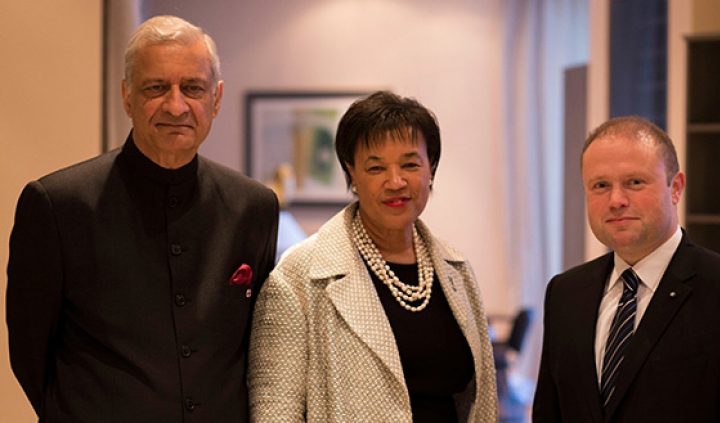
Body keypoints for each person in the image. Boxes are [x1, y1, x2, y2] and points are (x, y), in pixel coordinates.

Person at [6, 15, 279, 422]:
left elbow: (257, 348)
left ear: (216, 99)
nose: (176, 105)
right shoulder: (57, 205)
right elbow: (30, 353)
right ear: (127, 96)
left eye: (193, 88)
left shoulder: (253, 207)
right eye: (156, 87)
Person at [248, 91, 498, 422]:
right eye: (376, 167)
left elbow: (480, 403)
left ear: (431, 169)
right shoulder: (299, 275)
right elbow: (275, 411)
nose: (395, 182)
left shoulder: (457, 271)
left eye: (410, 164)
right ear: (352, 174)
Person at [532, 116, 720, 422]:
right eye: (601, 185)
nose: (616, 200)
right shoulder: (565, 293)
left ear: (676, 188)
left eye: (635, 182)